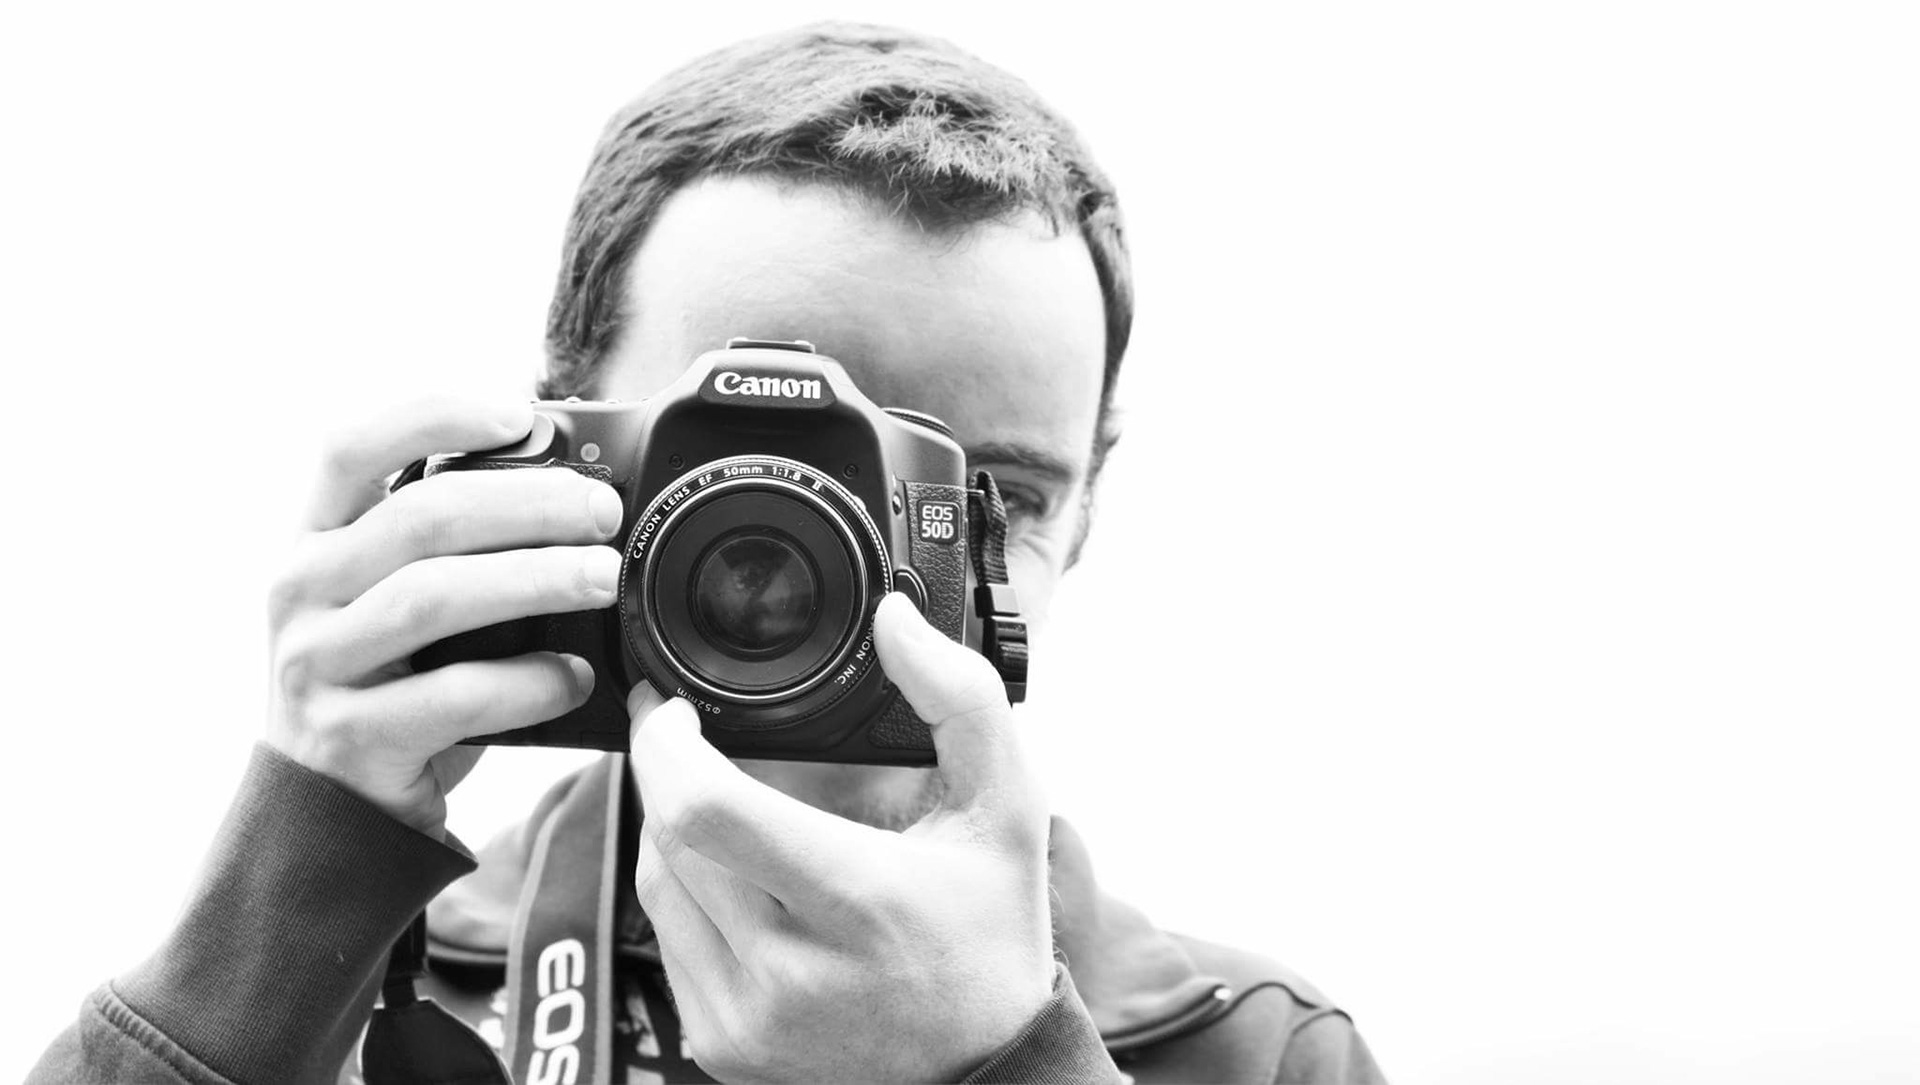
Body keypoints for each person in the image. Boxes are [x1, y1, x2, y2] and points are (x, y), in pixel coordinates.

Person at [31, 22, 1385, 1084]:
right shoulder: (364, 1009)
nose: (855, 578)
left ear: (1084, 516)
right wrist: (287, 902)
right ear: (557, 455)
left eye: (983, 501)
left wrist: (1005, 1067)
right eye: (748, 479)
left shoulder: (1260, 1055)